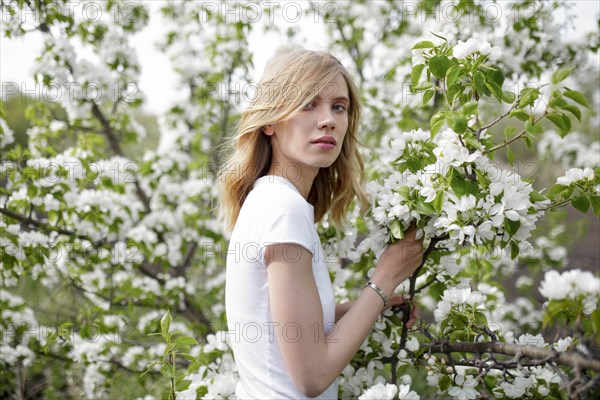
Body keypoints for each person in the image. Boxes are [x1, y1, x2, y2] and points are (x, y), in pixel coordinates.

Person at [218, 45, 424, 399]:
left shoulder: (269, 198)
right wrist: (385, 278)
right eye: (308, 103)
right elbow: (311, 377)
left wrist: (374, 304)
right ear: (269, 121)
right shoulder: (283, 208)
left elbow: (284, 330)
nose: (328, 118)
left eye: (338, 106)